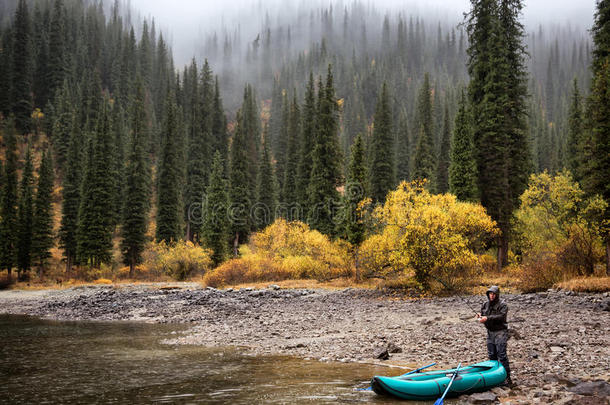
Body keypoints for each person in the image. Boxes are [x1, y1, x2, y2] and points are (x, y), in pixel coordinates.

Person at [477, 285, 512, 386]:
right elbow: (483, 313)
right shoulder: (485, 304)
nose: (492, 296)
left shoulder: (503, 305)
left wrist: (487, 318)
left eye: (493, 294)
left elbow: (501, 317)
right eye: (490, 294)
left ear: (497, 295)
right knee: (492, 355)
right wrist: (480, 316)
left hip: (500, 332)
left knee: (502, 355)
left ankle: (507, 378)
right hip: (490, 332)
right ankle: (494, 377)